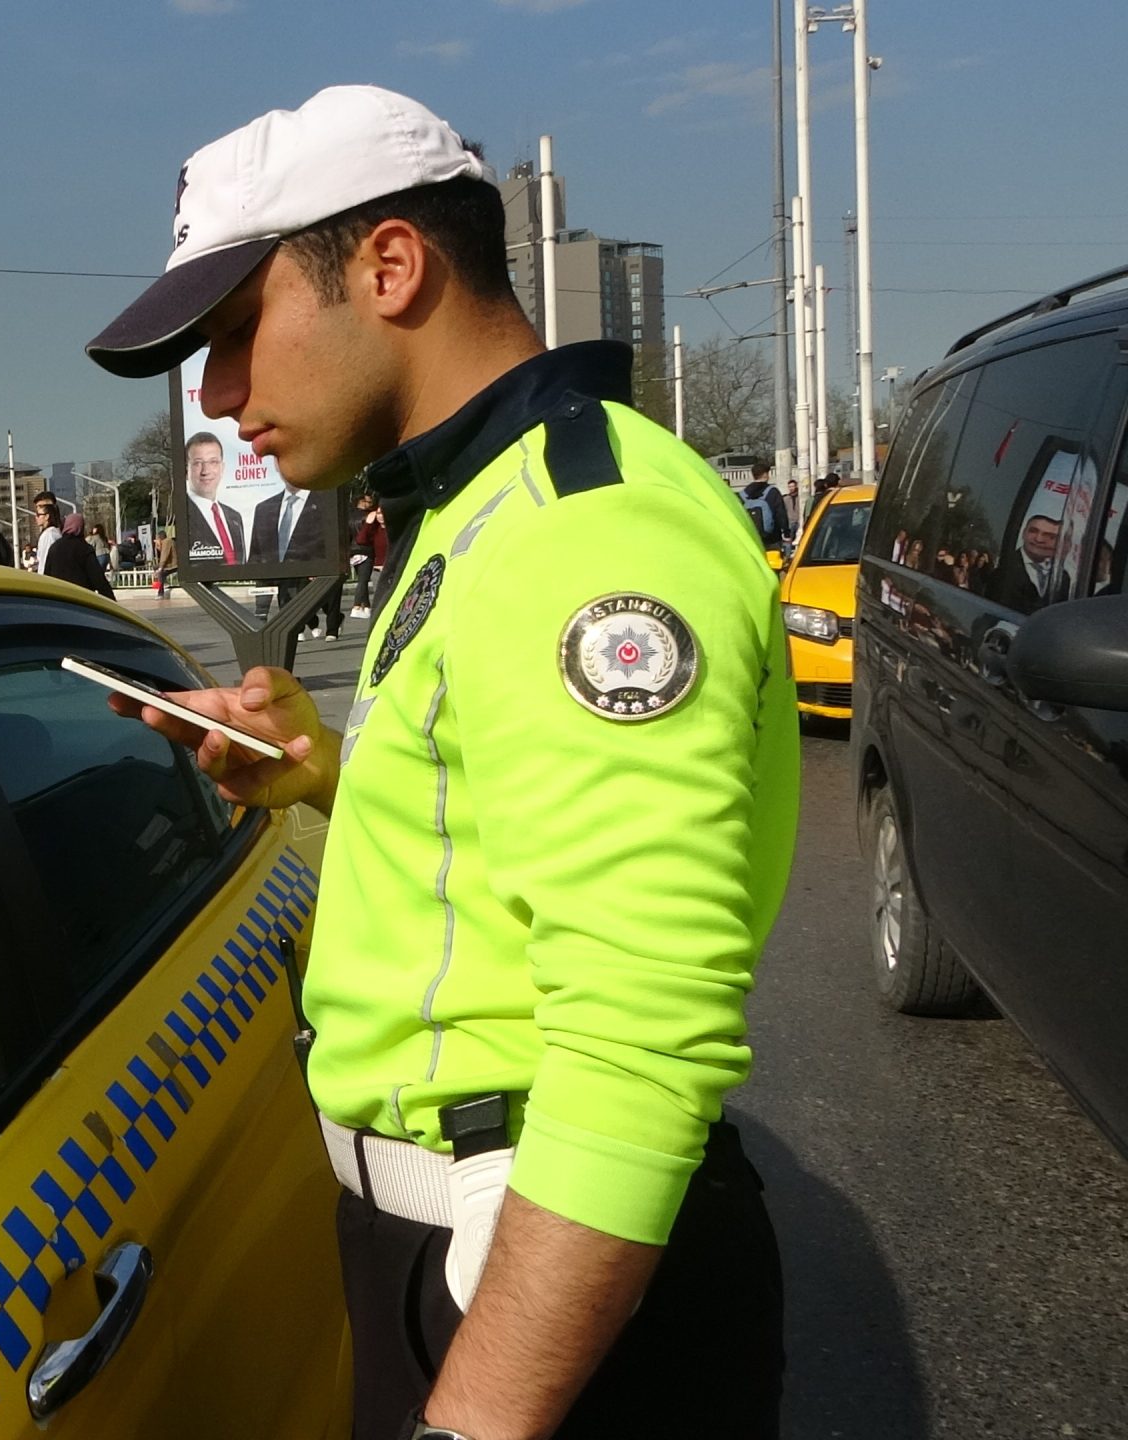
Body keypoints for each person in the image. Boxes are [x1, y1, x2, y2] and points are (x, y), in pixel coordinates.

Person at [85, 85, 794, 1439]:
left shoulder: (587, 536)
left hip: (535, 1261)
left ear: (390, 266)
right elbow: (517, 830)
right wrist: (325, 770)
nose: (219, 398)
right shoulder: (482, 505)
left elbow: (638, 1037)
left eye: (236, 331)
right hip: (465, 1239)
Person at [182, 433, 246, 564]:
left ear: (222, 468)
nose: (206, 471)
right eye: (197, 463)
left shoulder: (235, 518)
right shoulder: (182, 515)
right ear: (186, 471)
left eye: (213, 462)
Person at [39, 513, 115, 599]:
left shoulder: (54, 547)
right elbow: (98, 579)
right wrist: (112, 601)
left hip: (59, 600)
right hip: (80, 601)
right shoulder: (84, 548)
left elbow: (47, 576)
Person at [349, 492, 390, 617]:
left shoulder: (392, 530)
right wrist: (369, 522)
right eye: (378, 513)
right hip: (377, 568)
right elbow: (361, 540)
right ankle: (364, 607)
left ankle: (363, 606)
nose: (380, 516)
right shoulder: (375, 529)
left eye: (382, 513)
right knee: (379, 596)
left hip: (391, 568)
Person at [739, 462, 789, 553]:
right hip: (772, 538)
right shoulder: (773, 492)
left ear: (753, 475)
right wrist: (786, 532)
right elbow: (781, 514)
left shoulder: (742, 494)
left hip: (751, 538)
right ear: (765, 474)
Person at [31, 491, 64, 574]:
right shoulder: (52, 532)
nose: (37, 510)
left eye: (41, 506)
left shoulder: (50, 534)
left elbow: (45, 562)